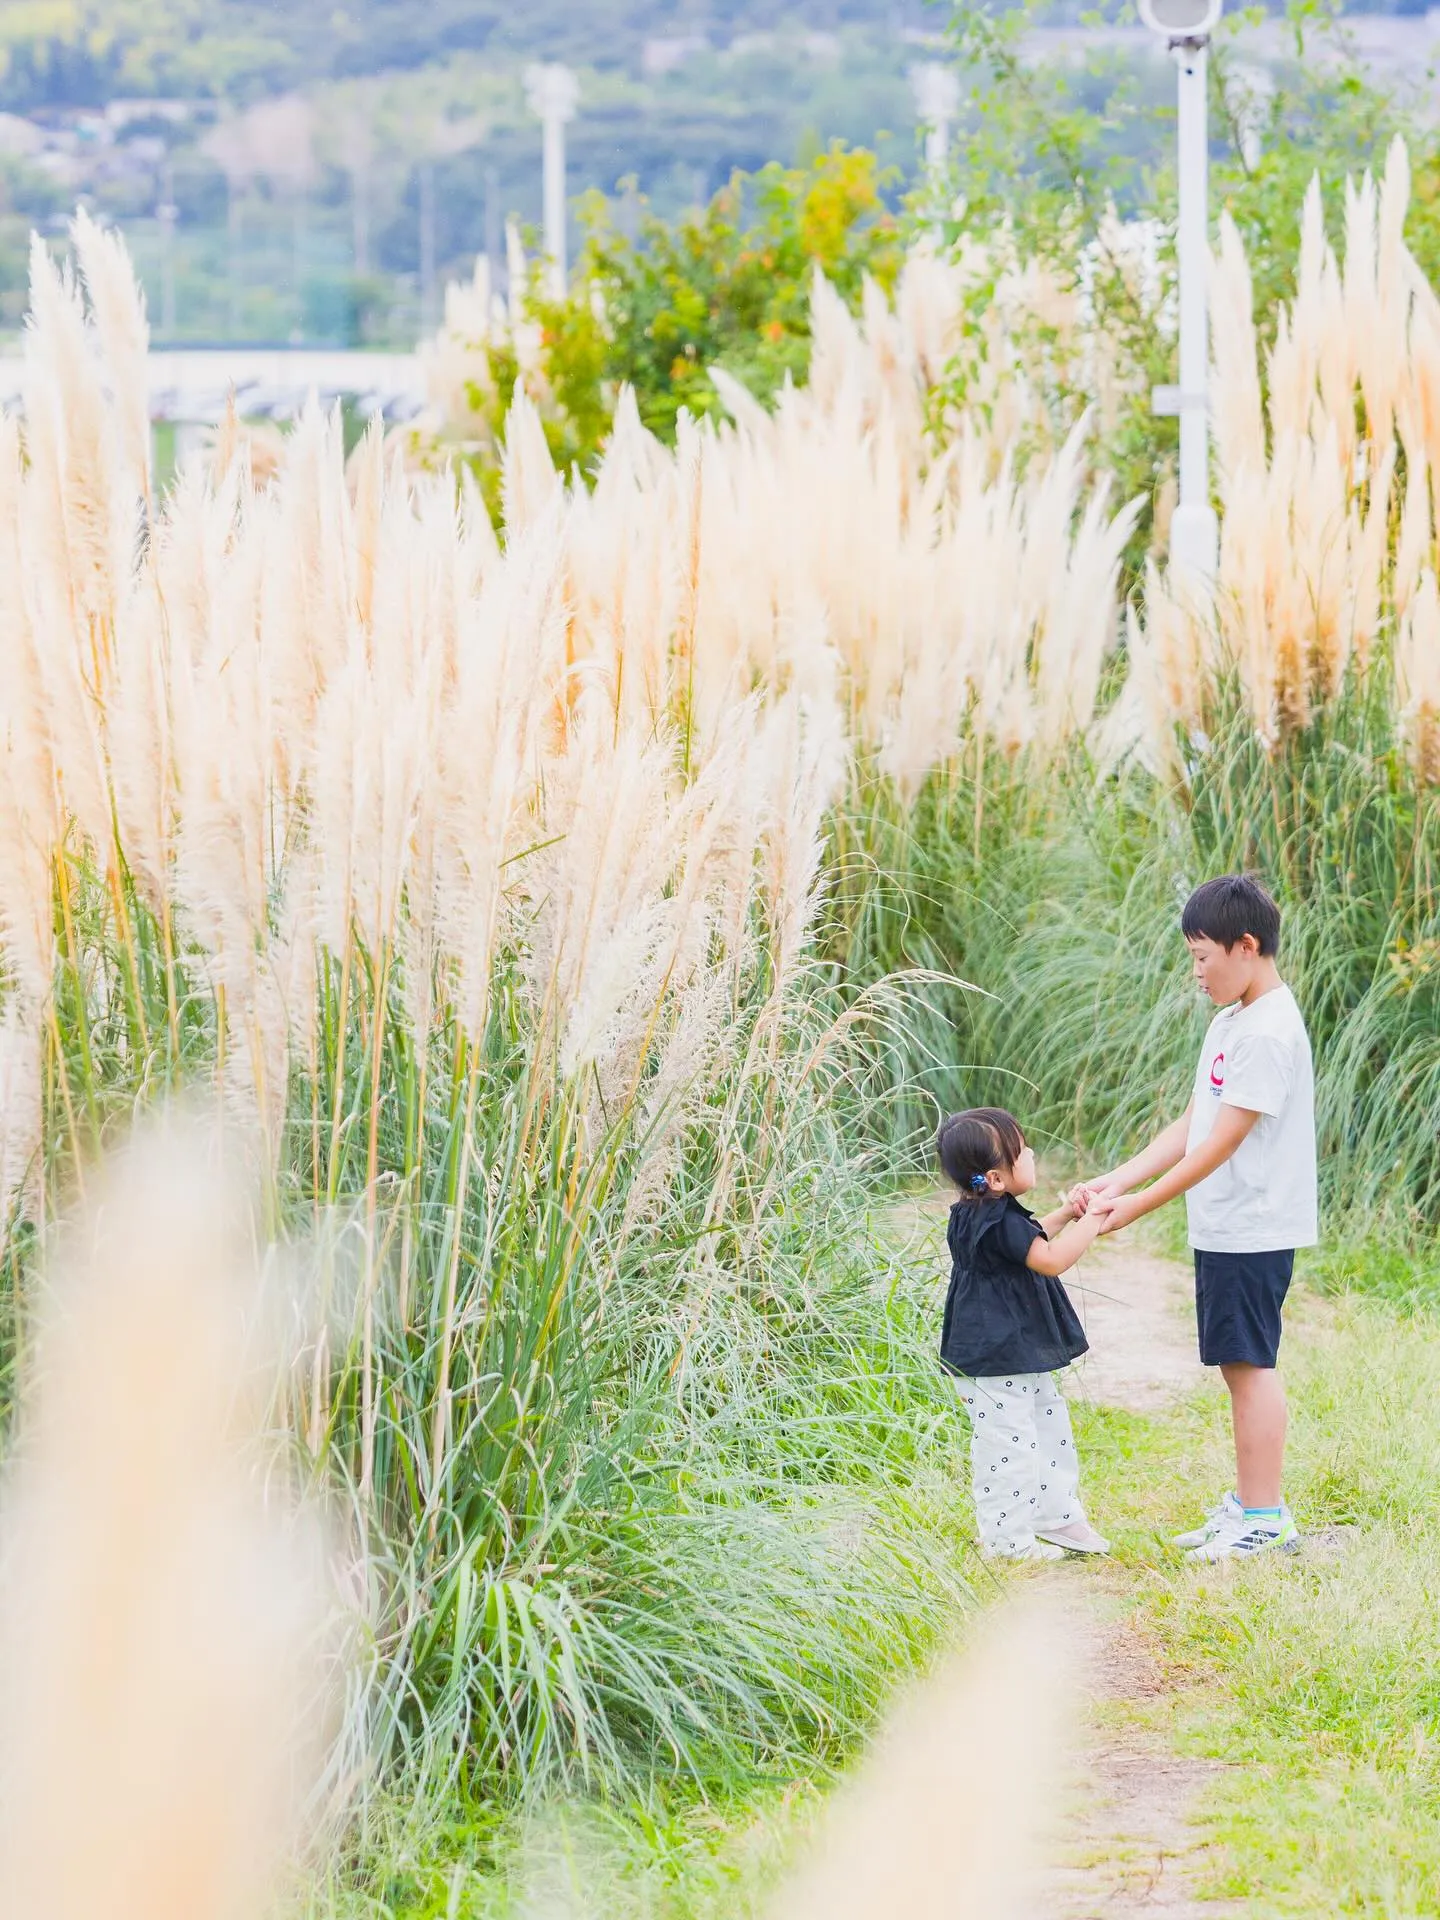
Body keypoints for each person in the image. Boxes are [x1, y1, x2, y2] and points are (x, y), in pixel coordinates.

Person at [1078, 874, 1315, 1562]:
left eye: (1203, 956)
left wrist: (1136, 1208)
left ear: (1247, 946)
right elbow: (1194, 1123)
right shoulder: (1232, 1020)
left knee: (1250, 1365)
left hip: (1254, 1224)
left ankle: (1265, 1518)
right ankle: (1250, 1503)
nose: (1197, 972)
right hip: (1227, 1224)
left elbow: (1222, 1143)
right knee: (1237, 1364)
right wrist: (1119, 1179)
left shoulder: (1267, 1031)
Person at [937, 1106, 1112, 1563]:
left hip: (1011, 1351)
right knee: (1007, 1446)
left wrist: (1068, 1213)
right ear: (996, 1179)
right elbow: (1050, 1259)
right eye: (1022, 1150)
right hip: (998, 1356)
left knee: (1048, 1427)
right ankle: (1007, 1542)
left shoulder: (978, 1213)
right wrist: (1092, 1220)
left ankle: (1056, 1515)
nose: (1032, 1153)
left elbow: (1030, 1238)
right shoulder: (998, 1220)